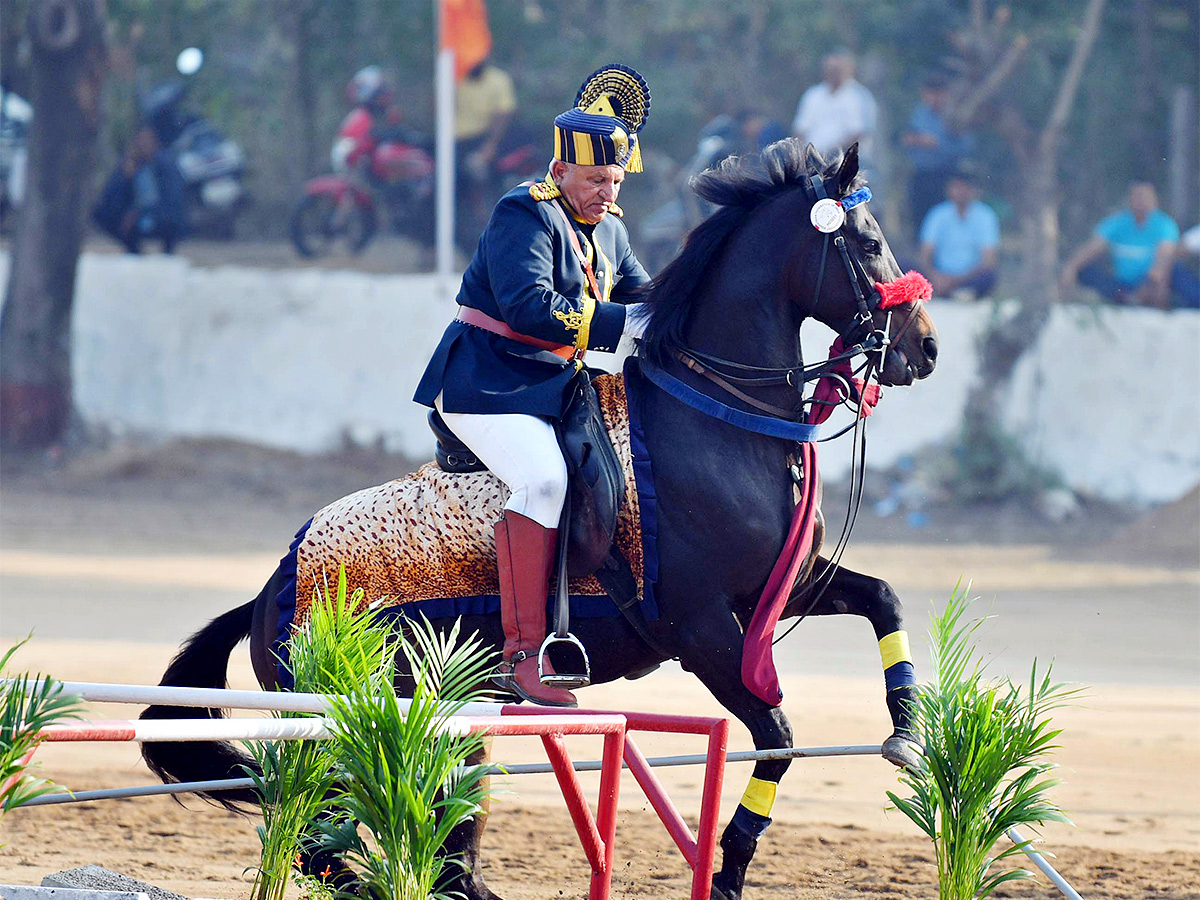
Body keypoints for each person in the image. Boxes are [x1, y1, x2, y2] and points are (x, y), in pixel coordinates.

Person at [413, 64, 653, 707]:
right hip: (487, 383)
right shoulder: (523, 211)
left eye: (616, 180)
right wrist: (627, 321)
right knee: (543, 480)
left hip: (554, 388)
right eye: (597, 179)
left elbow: (643, 296)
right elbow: (528, 309)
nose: (608, 191)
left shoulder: (613, 229)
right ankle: (524, 656)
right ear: (563, 170)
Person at [1060, 182, 1182, 309]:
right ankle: (1126, 299)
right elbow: (1093, 247)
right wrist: (1071, 267)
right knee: (1085, 271)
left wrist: (1154, 277)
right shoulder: (1118, 222)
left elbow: (1165, 255)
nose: (1141, 201)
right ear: (1130, 199)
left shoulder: (1164, 225)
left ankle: (1160, 305)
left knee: (1169, 274)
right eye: (1137, 196)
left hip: (1149, 282)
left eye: (1145, 197)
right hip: (1122, 284)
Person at [902, 72, 976, 240]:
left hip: (945, 177)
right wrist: (914, 141)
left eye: (937, 93)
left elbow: (966, 147)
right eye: (929, 93)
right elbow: (907, 137)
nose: (933, 98)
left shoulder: (954, 117)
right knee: (919, 222)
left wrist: (938, 145)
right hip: (921, 175)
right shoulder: (919, 114)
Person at [92, 124, 185, 254]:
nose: (143, 144)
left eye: (147, 140)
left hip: (159, 216)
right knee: (102, 215)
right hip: (137, 217)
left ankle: (168, 250)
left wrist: (139, 212)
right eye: (140, 140)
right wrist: (124, 178)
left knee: (169, 221)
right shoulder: (131, 164)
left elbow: (172, 200)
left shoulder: (165, 165)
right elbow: (111, 199)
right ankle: (133, 248)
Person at [917, 165, 1000, 299]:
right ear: (949, 189)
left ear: (974, 190)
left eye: (965, 187)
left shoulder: (985, 216)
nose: (961, 192)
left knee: (989, 276)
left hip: (969, 277)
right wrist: (935, 276)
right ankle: (946, 291)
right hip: (938, 275)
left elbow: (988, 260)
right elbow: (925, 253)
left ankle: (950, 291)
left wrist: (954, 281)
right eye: (957, 187)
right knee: (905, 266)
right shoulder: (937, 214)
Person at [791, 50, 877, 167]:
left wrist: (831, 155)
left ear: (850, 69)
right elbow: (800, 130)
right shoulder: (813, 95)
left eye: (837, 69)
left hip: (848, 164)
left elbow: (859, 133)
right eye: (829, 69)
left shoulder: (859, 96)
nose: (833, 73)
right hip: (813, 163)